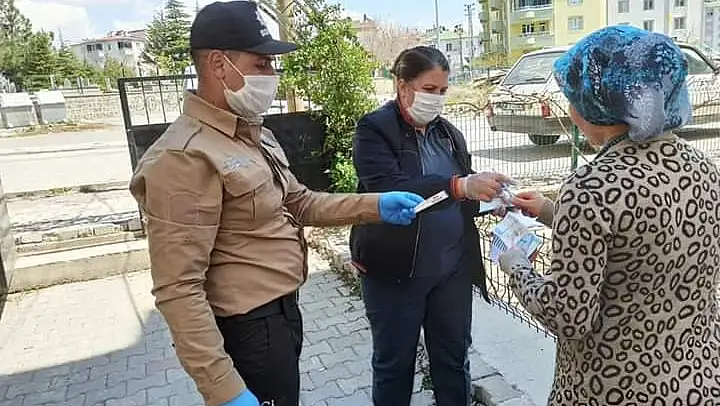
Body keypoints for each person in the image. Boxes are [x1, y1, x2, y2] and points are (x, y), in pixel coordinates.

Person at [128, 2, 424, 406]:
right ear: (218, 64)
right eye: (261, 64)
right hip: (245, 331)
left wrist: (376, 205)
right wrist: (224, 389)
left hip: (281, 318)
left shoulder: (253, 135)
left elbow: (299, 202)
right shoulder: (184, 156)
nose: (271, 75)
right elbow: (178, 288)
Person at [498, 25, 720, 405]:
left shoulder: (588, 189)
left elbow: (569, 316)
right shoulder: (703, 168)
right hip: (699, 377)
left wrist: (516, 266)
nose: (571, 110)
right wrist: (552, 212)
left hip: (614, 386)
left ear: (598, 102)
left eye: (572, 97)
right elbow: (649, 238)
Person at [349, 45, 511, 406]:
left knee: (453, 359)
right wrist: (459, 186)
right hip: (394, 273)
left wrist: (492, 199)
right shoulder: (374, 129)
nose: (436, 98)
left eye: (442, 90)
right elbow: (387, 188)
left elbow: (463, 189)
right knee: (395, 365)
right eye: (428, 89)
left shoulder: (448, 134)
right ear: (402, 85)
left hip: (450, 271)